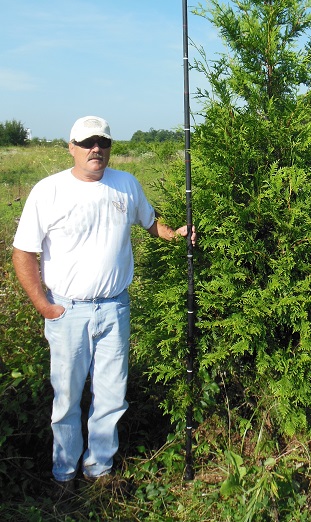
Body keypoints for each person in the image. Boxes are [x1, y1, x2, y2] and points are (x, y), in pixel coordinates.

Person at [12, 115, 195, 487]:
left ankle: (100, 470)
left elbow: (150, 223)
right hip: (68, 310)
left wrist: (174, 234)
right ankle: (64, 475)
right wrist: (46, 307)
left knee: (112, 395)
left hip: (115, 307)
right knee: (66, 397)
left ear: (110, 147)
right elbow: (23, 253)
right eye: (87, 142)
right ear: (71, 147)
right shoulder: (49, 191)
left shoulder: (126, 184)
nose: (96, 149)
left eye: (103, 142)